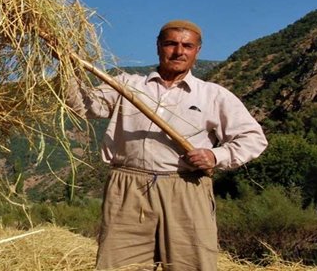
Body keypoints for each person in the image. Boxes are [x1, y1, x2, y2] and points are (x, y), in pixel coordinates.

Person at [65, 20, 268, 271]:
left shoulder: (213, 95)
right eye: (171, 44)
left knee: (191, 265)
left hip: (186, 188)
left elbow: (253, 138)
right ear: (158, 46)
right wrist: (67, 66)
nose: (178, 51)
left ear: (197, 51)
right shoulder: (127, 85)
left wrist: (215, 156)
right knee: (118, 266)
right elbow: (83, 106)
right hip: (128, 188)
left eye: (187, 46)